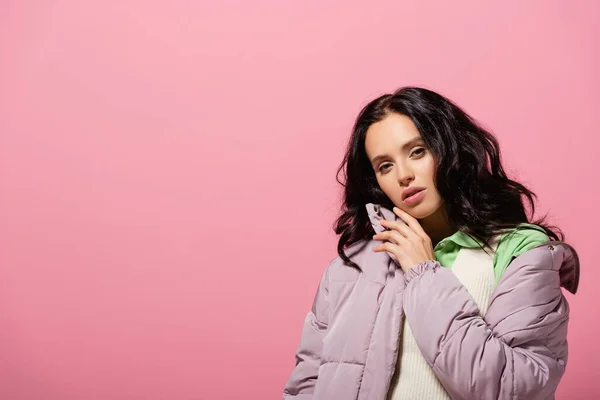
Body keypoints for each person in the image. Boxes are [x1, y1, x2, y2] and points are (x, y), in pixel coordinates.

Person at [282, 87, 580, 400]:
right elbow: (307, 382)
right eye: (385, 166)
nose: (403, 175)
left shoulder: (521, 252)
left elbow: (513, 388)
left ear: (450, 149)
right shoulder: (351, 267)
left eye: (417, 152)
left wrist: (424, 272)